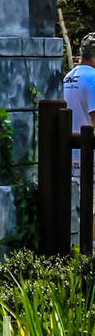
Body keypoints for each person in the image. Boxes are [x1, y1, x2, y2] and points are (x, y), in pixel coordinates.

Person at [63, 33, 95, 242]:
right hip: (90, 158)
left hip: (68, 157)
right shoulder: (93, 78)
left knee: (76, 211)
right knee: (92, 210)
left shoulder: (68, 76)